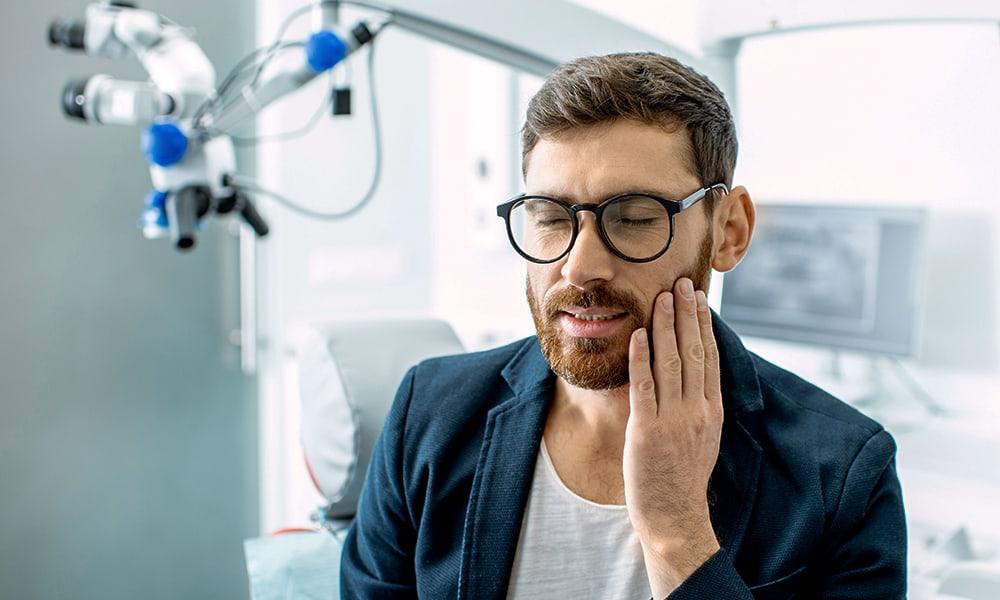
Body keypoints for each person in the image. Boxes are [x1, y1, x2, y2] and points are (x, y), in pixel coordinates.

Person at [340, 52, 907, 599]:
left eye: (634, 218)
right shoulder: (428, 413)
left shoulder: (844, 474)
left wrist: (677, 532)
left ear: (729, 230)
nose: (581, 266)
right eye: (550, 216)